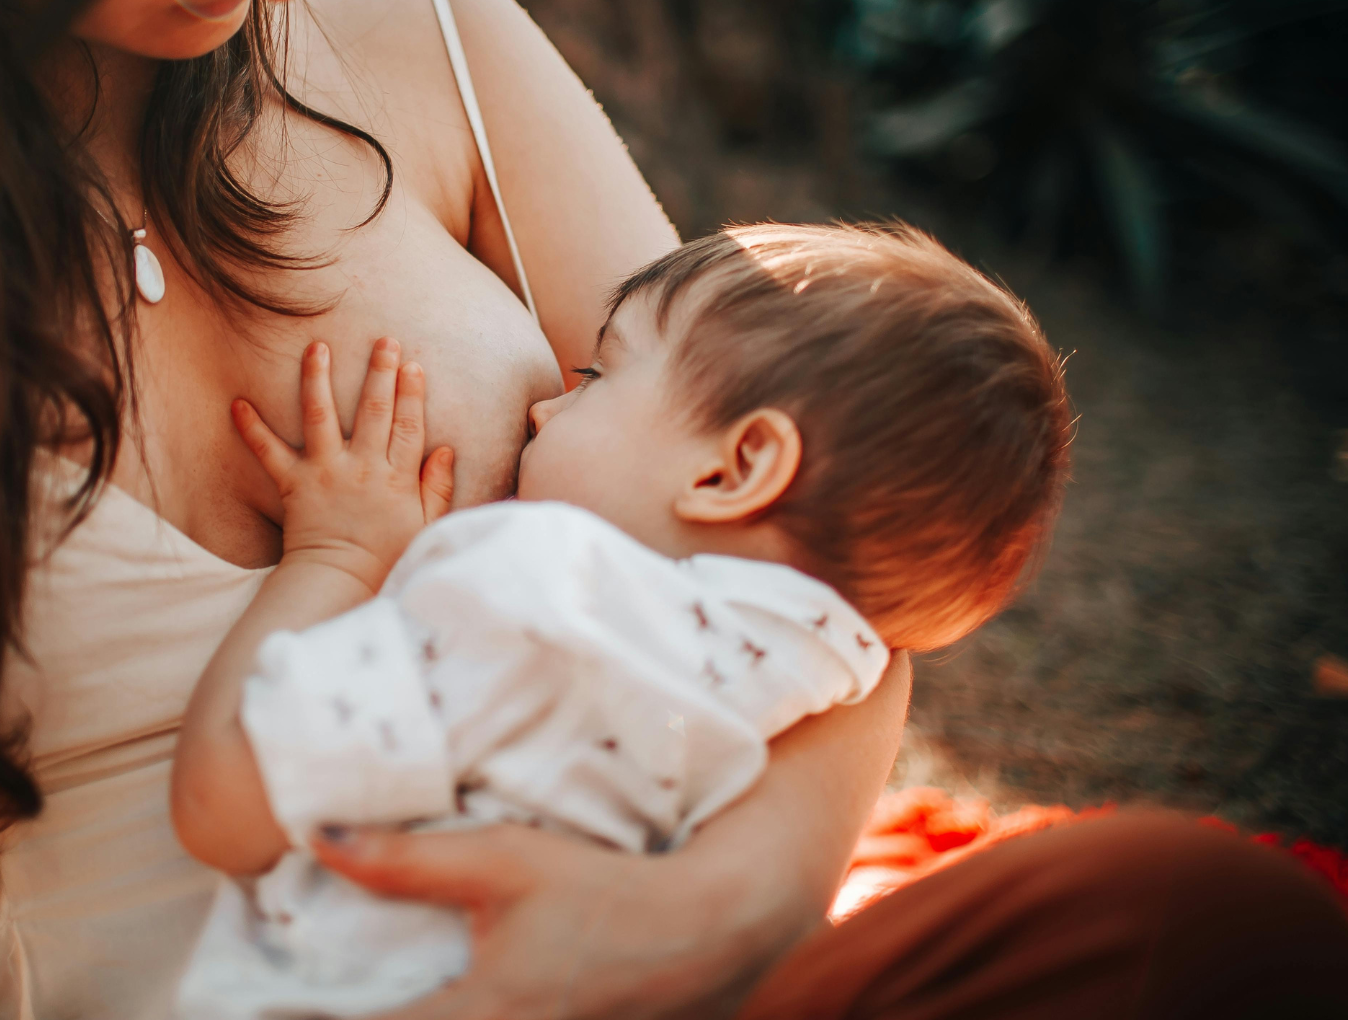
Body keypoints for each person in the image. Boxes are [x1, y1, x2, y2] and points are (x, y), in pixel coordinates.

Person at [0, 0, 1341, 1017]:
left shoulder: (434, 34)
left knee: (1194, 918)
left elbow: (818, 573)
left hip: (628, 978)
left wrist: (701, 916)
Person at [169, 223, 1072, 1017]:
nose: (544, 405)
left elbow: (225, 805)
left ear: (734, 469)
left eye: (598, 374)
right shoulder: (819, 679)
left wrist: (337, 556)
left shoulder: (536, 594)